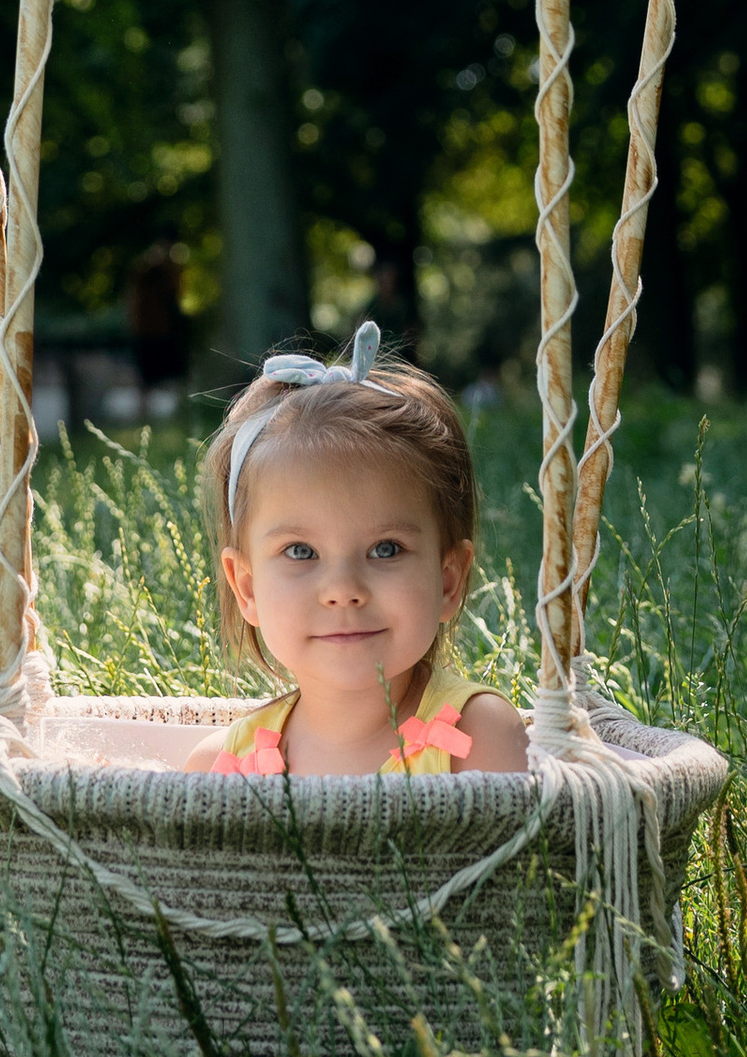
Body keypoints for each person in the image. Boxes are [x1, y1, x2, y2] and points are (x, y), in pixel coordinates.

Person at [183, 324, 530, 781]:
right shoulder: (224, 769)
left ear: (448, 580)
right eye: (301, 551)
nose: (343, 590)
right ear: (246, 587)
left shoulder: (477, 742)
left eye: (385, 549)